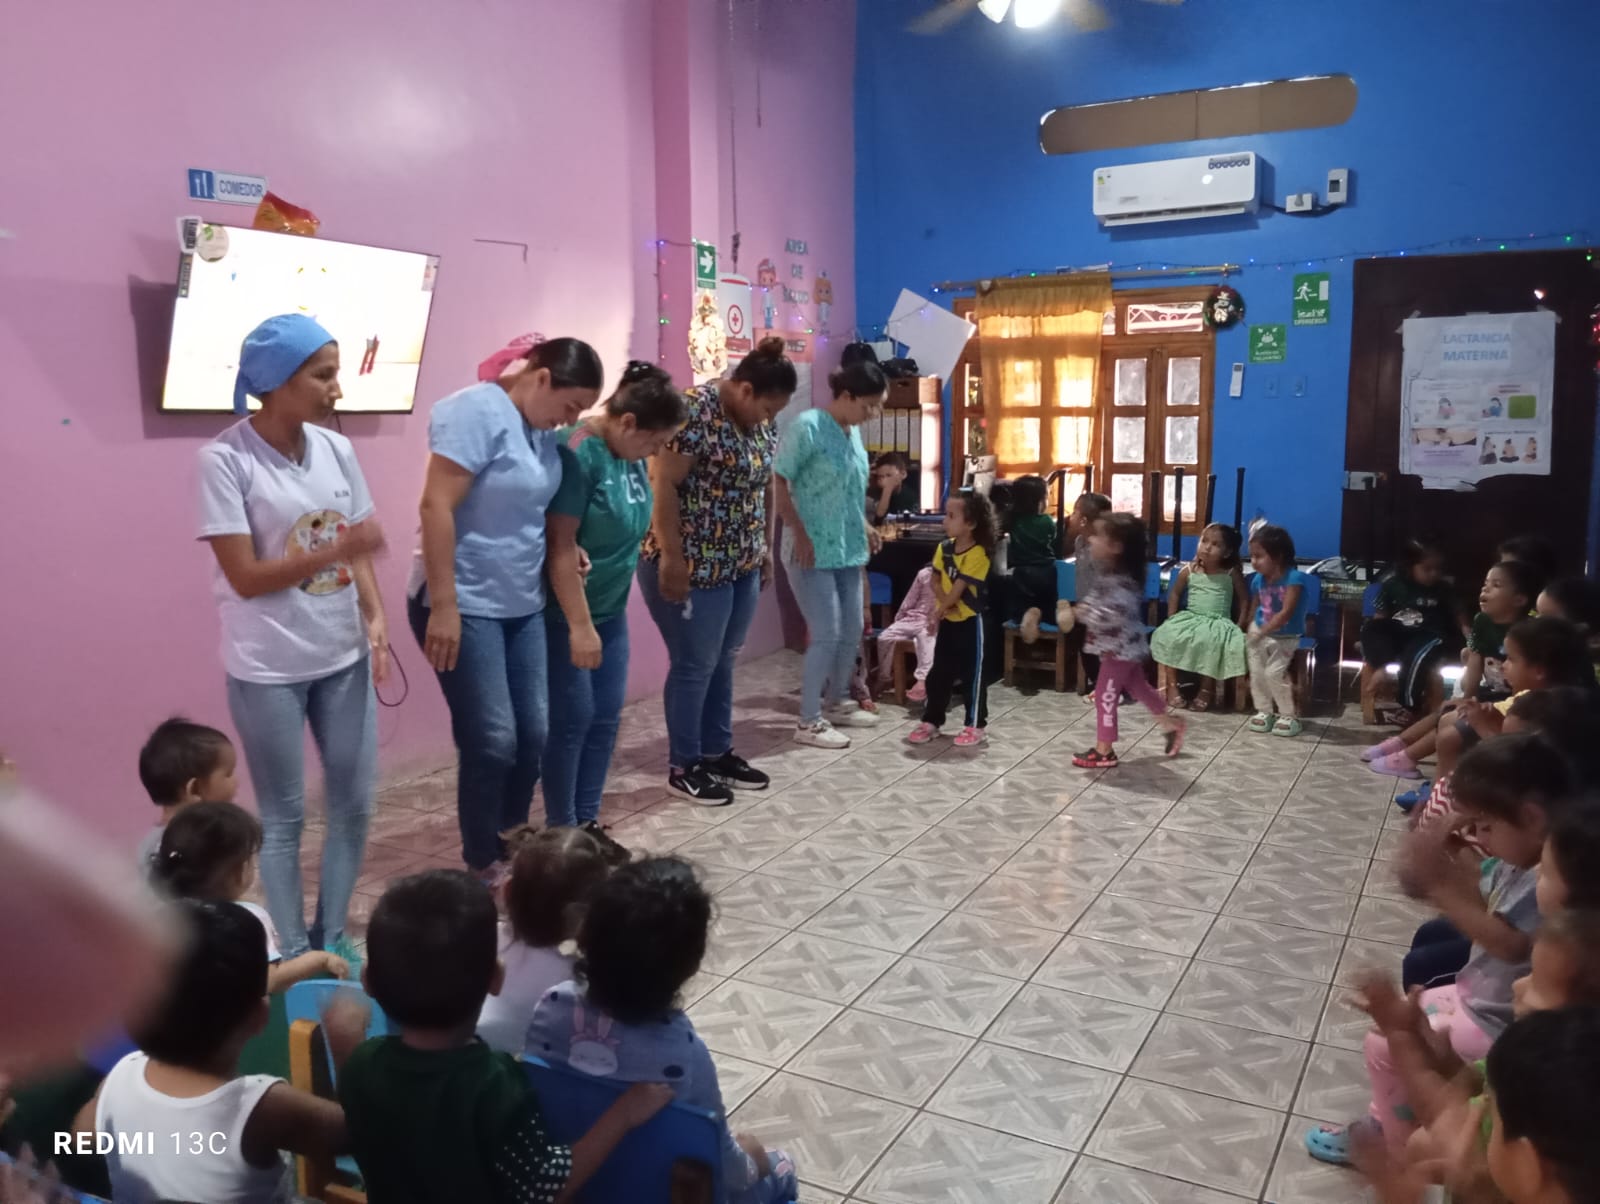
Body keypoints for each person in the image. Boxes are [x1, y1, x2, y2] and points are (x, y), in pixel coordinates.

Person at [199, 313, 390, 960]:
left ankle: (331, 938)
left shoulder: (337, 450)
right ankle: (294, 951)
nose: (338, 388)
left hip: (343, 657)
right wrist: (338, 550)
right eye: (323, 374)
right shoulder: (224, 460)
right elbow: (246, 577)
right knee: (283, 819)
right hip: (268, 668)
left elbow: (358, 544)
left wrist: (374, 617)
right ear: (278, 381)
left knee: (354, 806)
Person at [1309, 734, 1567, 1165]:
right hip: (1478, 996)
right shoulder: (1521, 859)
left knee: (1384, 1044)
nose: (1479, 834)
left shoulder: (1543, 876)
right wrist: (1448, 856)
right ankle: (1393, 1118)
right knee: (1404, 1021)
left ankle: (1393, 1153)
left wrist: (1438, 885)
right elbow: (1483, 896)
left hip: (1496, 1019)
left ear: (1532, 818)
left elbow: (1508, 943)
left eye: (1487, 825)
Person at [342, 870, 670, 1203]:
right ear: (496, 979)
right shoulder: (494, 1084)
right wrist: (624, 1114)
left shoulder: (360, 1065)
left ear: (368, 981)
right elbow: (546, 1187)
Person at [409, 337, 604, 883]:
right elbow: (435, 506)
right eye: (570, 405)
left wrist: (565, 552)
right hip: (463, 600)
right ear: (541, 378)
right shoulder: (474, 411)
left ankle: (512, 842)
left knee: (533, 735)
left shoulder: (540, 432)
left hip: (520, 602)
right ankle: (481, 862)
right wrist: (444, 605)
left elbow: (524, 512)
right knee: (493, 740)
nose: (571, 420)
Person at [526, 857, 799, 1204]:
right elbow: (722, 1168)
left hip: (576, 1184)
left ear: (587, 934)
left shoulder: (550, 1006)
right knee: (781, 1168)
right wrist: (756, 1160)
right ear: (691, 964)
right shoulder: (684, 1055)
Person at [74, 900, 349, 1204]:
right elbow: (353, 1134)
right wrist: (344, 1048)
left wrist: (154, 1143)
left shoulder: (117, 1079)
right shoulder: (263, 1108)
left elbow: (78, 1140)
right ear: (258, 1016)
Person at [638, 338, 798, 805]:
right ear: (745, 389)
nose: (768, 419)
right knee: (694, 664)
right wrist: (672, 557)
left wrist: (764, 547)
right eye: (766, 408)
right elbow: (663, 484)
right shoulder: (692, 412)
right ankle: (684, 765)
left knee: (724, 658)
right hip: (692, 564)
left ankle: (716, 751)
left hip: (739, 560)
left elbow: (764, 483)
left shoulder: (759, 424)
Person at [543, 363, 687, 850]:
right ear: (628, 423)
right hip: (565, 614)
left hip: (610, 607)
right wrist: (579, 626)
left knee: (605, 718)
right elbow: (558, 543)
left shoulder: (629, 456)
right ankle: (561, 833)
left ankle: (586, 823)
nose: (655, 453)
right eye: (654, 442)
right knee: (571, 722)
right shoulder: (579, 452)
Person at [773, 361, 887, 749]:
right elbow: (780, 480)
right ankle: (808, 721)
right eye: (869, 405)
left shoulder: (851, 433)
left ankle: (837, 701)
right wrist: (798, 531)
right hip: (809, 550)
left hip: (846, 548)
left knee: (851, 628)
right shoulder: (807, 426)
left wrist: (865, 525)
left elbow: (847, 492)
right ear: (846, 396)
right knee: (826, 632)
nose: (874, 413)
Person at [1367, 559, 1546, 780]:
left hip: (1512, 699)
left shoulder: (1528, 630)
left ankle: (1407, 758)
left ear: (1519, 599)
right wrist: (1468, 697)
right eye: (1485, 583)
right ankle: (1400, 743)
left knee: (1454, 719)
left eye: (1496, 585)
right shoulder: (1482, 620)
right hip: (1491, 691)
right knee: (1448, 708)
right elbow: (1475, 660)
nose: (1485, 589)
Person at [152, 801, 348, 994]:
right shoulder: (247, 919)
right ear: (238, 873)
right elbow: (267, 980)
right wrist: (317, 960)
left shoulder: (159, 918)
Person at [477, 827, 613, 1053]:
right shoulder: (576, 982)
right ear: (589, 914)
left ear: (507, 890)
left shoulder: (476, 936)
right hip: (510, 1068)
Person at [1069, 512, 1185, 768]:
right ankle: (1170, 724)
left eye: (1098, 536)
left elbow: (1113, 614)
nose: (1092, 540)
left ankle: (1104, 750)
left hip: (1120, 651)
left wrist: (1083, 613)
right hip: (1122, 649)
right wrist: (1084, 607)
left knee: (1104, 695)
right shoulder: (1109, 574)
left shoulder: (1123, 582)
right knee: (1139, 688)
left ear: (1115, 547)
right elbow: (1097, 599)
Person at [906, 492, 1001, 748]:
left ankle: (975, 725)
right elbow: (935, 579)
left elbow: (959, 589)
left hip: (971, 622)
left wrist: (939, 610)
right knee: (939, 672)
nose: (944, 521)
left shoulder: (978, 554)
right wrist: (941, 607)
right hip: (948, 618)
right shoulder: (944, 548)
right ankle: (931, 720)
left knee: (973, 675)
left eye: (951, 516)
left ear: (970, 523)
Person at [1361, 539, 1469, 718]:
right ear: (1409, 566)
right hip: (1399, 633)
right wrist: (1376, 643)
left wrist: (1469, 636)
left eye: (1438, 569)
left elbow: (1460, 617)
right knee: (1371, 628)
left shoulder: (1444, 589)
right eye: (1427, 569)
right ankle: (1381, 668)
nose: (1434, 573)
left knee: (1415, 656)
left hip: (1429, 636)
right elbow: (1380, 617)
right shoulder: (1392, 585)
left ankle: (1409, 706)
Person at [1150, 522, 1248, 711]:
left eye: (1215, 544)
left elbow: (1244, 600)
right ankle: (1172, 686)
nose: (1207, 547)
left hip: (1218, 621)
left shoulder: (1231, 573)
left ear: (1227, 552)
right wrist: (1171, 618)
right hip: (1191, 617)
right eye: (1204, 541)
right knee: (1170, 636)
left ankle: (1206, 688)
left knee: (1212, 642)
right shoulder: (1189, 570)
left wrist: (1240, 624)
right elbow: (1175, 594)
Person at [135, 718, 238, 872]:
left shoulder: (148, 845)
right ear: (195, 789)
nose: (236, 781)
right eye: (228, 774)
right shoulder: (200, 844)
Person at [1244, 523, 1308, 738]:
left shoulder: (1294, 579)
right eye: (1252, 556)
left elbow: (1287, 612)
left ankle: (1288, 715)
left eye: (1259, 556)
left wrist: (1263, 631)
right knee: (1257, 674)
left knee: (1273, 674)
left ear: (1278, 556)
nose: (1253, 561)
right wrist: (1251, 627)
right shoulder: (1257, 580)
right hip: (1260, 631)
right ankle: (1264, 711)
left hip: (1285, 636)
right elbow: (1256, 605)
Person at [1004, 475, 1067, 644]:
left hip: (1022, 571)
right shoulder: (1047, 521)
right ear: (1040, 501)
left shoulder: (1013, 521)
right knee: (1048, 603)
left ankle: (1028, 613)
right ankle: (1049, 613)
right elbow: (1053, 538)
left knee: (1020, 606)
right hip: (1047, 570)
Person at [1066, 492, 1112, 693]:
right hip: (1085, 607)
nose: (1071, 517)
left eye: (1074, 512)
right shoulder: (1079, 542)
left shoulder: (1102, 548)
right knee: (1083, 644)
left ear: (1084, 520)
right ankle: (1098, 683)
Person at [873, 565, 938, 702]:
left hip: (934, 620)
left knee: (926, 640)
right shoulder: (924, 574)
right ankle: (885, 677)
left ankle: (922, 680)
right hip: (915, 618)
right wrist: (900, 618)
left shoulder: (953, 576)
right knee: (884, 637)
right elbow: (910, 598)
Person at [867, 451, 919, 522]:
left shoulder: (910, 496)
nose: (885, 480)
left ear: (903, 474)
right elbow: (878, 519)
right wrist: (887, 490)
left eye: (889, 475)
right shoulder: (873, 496)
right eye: (881, 477)